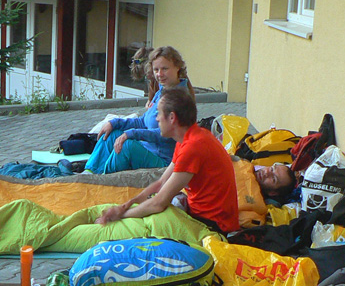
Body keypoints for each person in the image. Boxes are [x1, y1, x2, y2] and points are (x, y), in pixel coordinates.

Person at [96, 87, 239, 235]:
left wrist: (121, 216)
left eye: (158, 113)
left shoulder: (193, 147)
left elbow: (158, 203)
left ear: (172, 118)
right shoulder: (189, 137)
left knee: (147, 221)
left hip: (215, 225)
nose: (157, 119)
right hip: (204, 215)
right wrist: (126, 206)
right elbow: (161, 183)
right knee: (147, 210)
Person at [84, 46, 195, 174]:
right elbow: (142, 121)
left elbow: (167, 134)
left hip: (163, 160)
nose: (159, 74)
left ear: (178, 67)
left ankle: (103, 179)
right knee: (111, 133)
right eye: (156, 70)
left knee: (126, 146)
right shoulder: (162, 91)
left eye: (165, 69)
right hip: (146, 148)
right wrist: (114, 123)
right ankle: (88, 173)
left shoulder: (181, 98)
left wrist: (131, 134)